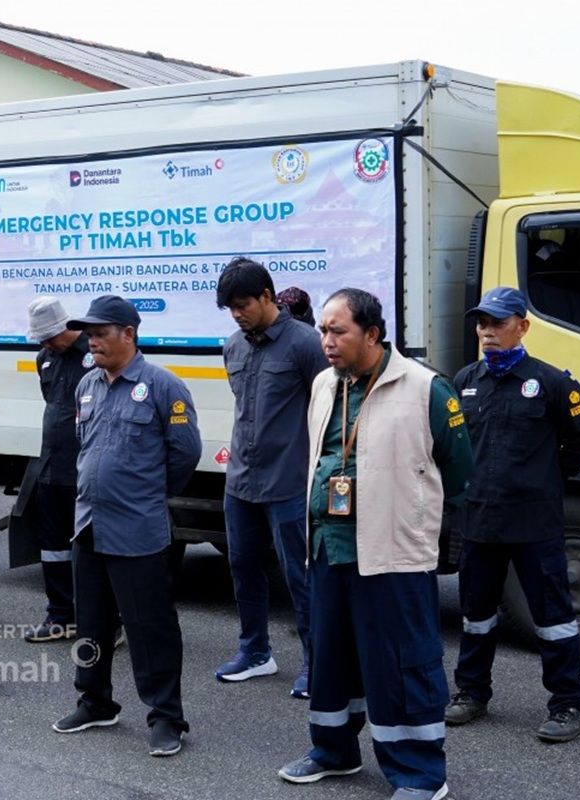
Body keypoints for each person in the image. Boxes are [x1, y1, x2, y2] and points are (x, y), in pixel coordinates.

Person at [278, 288, 472, 800]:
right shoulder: (324, 385)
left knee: (401, 663)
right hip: (327, 550)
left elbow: (459, 473)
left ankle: (420, 774)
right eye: (322, 330)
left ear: (372, 333)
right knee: (331, 658)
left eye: (337, 331)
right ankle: (333, 752)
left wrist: (411, 516)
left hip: (392, 554)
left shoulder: (427, 389)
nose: (326, 341)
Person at [51, 295, 201, 757]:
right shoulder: (87, 385)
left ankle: (165, 717)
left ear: (129, 334)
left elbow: (185, 454)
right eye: (88, 333)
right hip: (89, 524)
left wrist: (142, 493)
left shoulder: (162, 386)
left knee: (149, 627)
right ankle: (94, 701)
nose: (91, 341)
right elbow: (87, 445)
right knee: (91, 624)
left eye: (100, 333)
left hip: (137, 528)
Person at [444, 286, 580, 742]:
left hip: (534, 524)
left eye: (498, 323)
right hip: (481, 522)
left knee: (554, 618)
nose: (487, 331)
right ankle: (471, 693)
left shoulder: (551, 383)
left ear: (522, 326)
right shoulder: (465, 380)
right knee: (476, 615)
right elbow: (452, 448)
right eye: (482, 323)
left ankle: (567, 705)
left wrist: (545, 481)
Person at [215, 258, 326, 697]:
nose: (237, 314)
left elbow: (328, 408)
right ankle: (255, 652)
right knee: (242, 567)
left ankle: (317, 662)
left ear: (267, 296)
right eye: (230, 308)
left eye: (243, 304)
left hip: (290, 482)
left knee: (301, 576)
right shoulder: (233, 346)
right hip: (240, 480)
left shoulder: (307, 344)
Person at [22, 296, 96, 642]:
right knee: (53, 546)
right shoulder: (44, 358)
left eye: (50, 336)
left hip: (86, 468)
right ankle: (60, 615)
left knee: (93, 549)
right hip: (51, 465)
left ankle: (103, 621)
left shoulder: (93, 355)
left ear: (66, 325)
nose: (46, 343)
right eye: (41, 339)